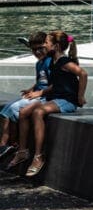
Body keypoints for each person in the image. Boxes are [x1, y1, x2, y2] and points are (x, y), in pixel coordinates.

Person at [7, 30, 87, 177]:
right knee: (23, 112)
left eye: (47, 43)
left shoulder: (64, 62)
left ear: (55, 46)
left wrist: (80, 96)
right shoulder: (52, 60)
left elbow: (83, 73)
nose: (44, 45)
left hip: (67, 101)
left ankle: (38, 156)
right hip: (55, 98)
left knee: (38, 112)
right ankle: (23, 151)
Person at [0, 32, 50, 161]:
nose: (37, 52)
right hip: (36, 94)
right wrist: (31, 89)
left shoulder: (50, 62)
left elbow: (56, 83)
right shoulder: (39, 63)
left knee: (14, 108)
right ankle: (4, 145)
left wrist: (39, 93)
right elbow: (41, 81)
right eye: (34, 50)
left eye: (40, 48)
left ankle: (11, 144)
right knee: (5, 111)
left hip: (45, 97)